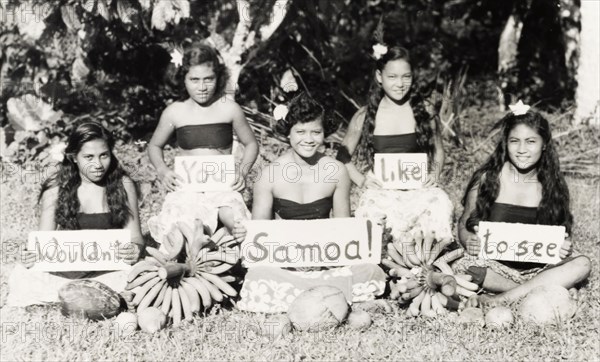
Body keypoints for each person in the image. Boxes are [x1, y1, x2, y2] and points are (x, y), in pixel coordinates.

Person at [233, 93, 387, 313]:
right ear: (288, 133)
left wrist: (367, 229)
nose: (308, 139)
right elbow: (261, 232)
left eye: (316, 132)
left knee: (370, 270)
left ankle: (309, 295)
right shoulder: (269, 175)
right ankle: (334, 297)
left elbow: (343, 227)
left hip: (326, 256)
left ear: (325, 133)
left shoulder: (336, 170)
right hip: (286, 260)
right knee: (257, 277)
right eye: (300, 132)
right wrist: (245, 234)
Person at [455, 105, 591, 305]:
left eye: (531, 142)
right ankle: (538, 289)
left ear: (544, 144)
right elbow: (464, 223)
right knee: (467, 267)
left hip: (538, 268)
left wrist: (563, 247)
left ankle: (502, 299)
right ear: (505, 143)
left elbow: (563, 232)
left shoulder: (552, 185)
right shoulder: (487, 179)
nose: (522, 150)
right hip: (495, 268)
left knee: (582, 263)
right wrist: (470, 240)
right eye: (514, 141)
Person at [6, 121, 144, 306]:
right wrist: (31, 256)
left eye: (104, 155)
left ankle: (80, 297)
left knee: (143, 275)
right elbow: (43, 242)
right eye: (88, 157)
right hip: (66, 273)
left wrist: (134, 249)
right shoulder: (56, 189)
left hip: (109, 271)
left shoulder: (123, 184)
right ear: (74, 157)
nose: (98, 164)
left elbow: (136, 236)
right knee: (23, 276)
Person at [337, 45, 453, 242]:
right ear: (379, 77)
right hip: (382, 190)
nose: (400, 84)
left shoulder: (424, 111)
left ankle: (425, 258)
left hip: (418, 189)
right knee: (372, 220)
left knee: (439, 205)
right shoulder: (365, 115)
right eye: (392, 77)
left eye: (406, 77)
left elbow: (439, 151)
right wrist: (361, 179)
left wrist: (434, 173)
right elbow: (342, 155)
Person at [147, 43, 258, 242]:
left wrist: (242, 171)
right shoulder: (175, 112)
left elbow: (251, 143)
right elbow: (154, 146)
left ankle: (229, 243)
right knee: (183, 221)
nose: (202, 86)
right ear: (183, 79)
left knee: (232, 217)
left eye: (209, 79)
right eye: (194, 80)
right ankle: (195, 249)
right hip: (188, 187)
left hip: (222, 186)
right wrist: (163, 170)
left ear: (218, 77)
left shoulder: (229, 108)